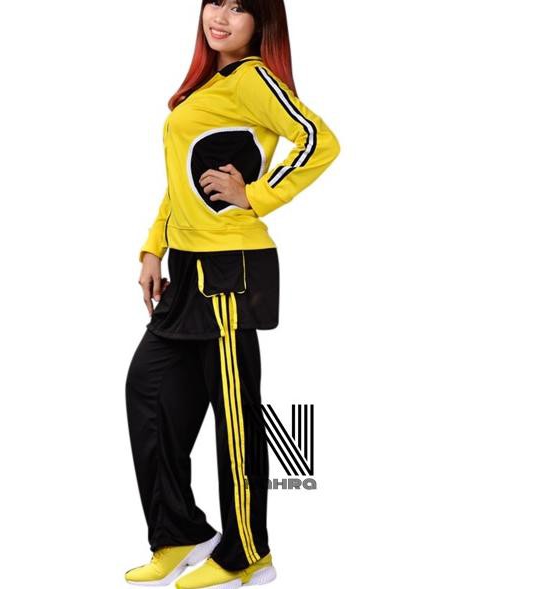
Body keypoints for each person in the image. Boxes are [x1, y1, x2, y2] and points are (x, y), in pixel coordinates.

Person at [124, 1, 341, 587]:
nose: (221, 16)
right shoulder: (207, 86)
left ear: (261, 22)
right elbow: (179, 182)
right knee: (149, 392)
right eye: (215, 1)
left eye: (240, 7)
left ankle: (249, 553)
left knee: (235, 419)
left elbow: (318, 140)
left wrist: (258, 195)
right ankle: (180, 533)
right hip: (187, 269)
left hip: (230, 269)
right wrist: (154, 248)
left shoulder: (252, 79)